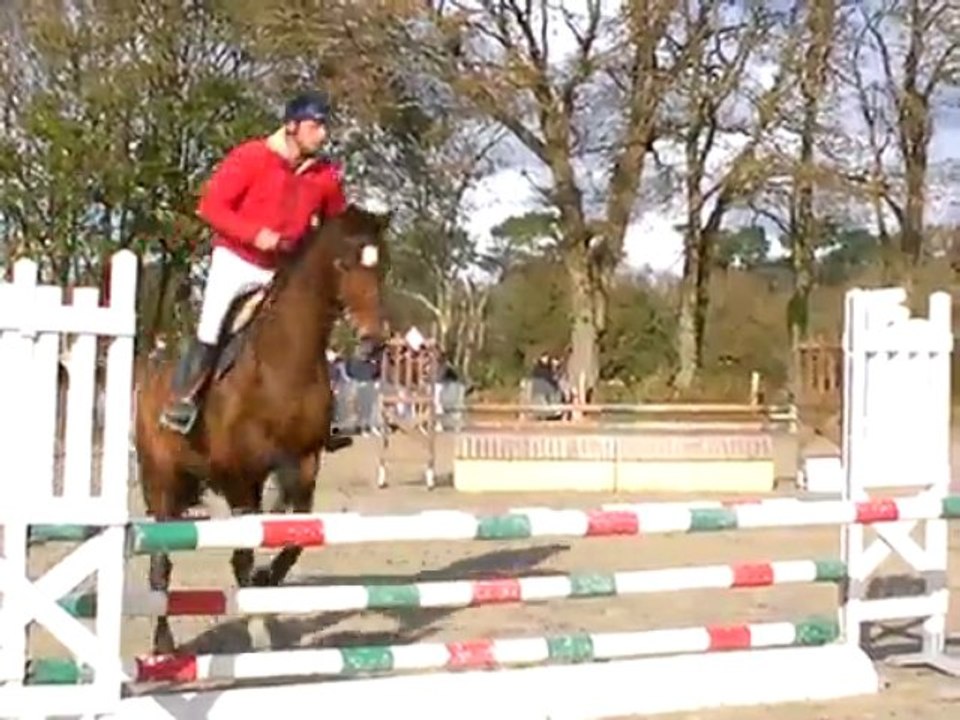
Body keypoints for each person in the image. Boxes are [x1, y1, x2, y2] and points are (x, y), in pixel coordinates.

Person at [159, 90, 347, 434]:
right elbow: (211, 207)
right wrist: (254, 234)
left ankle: (327, 412)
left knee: (310, 326)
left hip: (286, 267)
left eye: (324, 127)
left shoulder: (326, 177)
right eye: (315, 126)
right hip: (238, 259)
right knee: (212, 324)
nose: (322, 134)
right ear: (291, 127)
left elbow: (338, 225)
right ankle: (184, 399)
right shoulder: (252, 157)